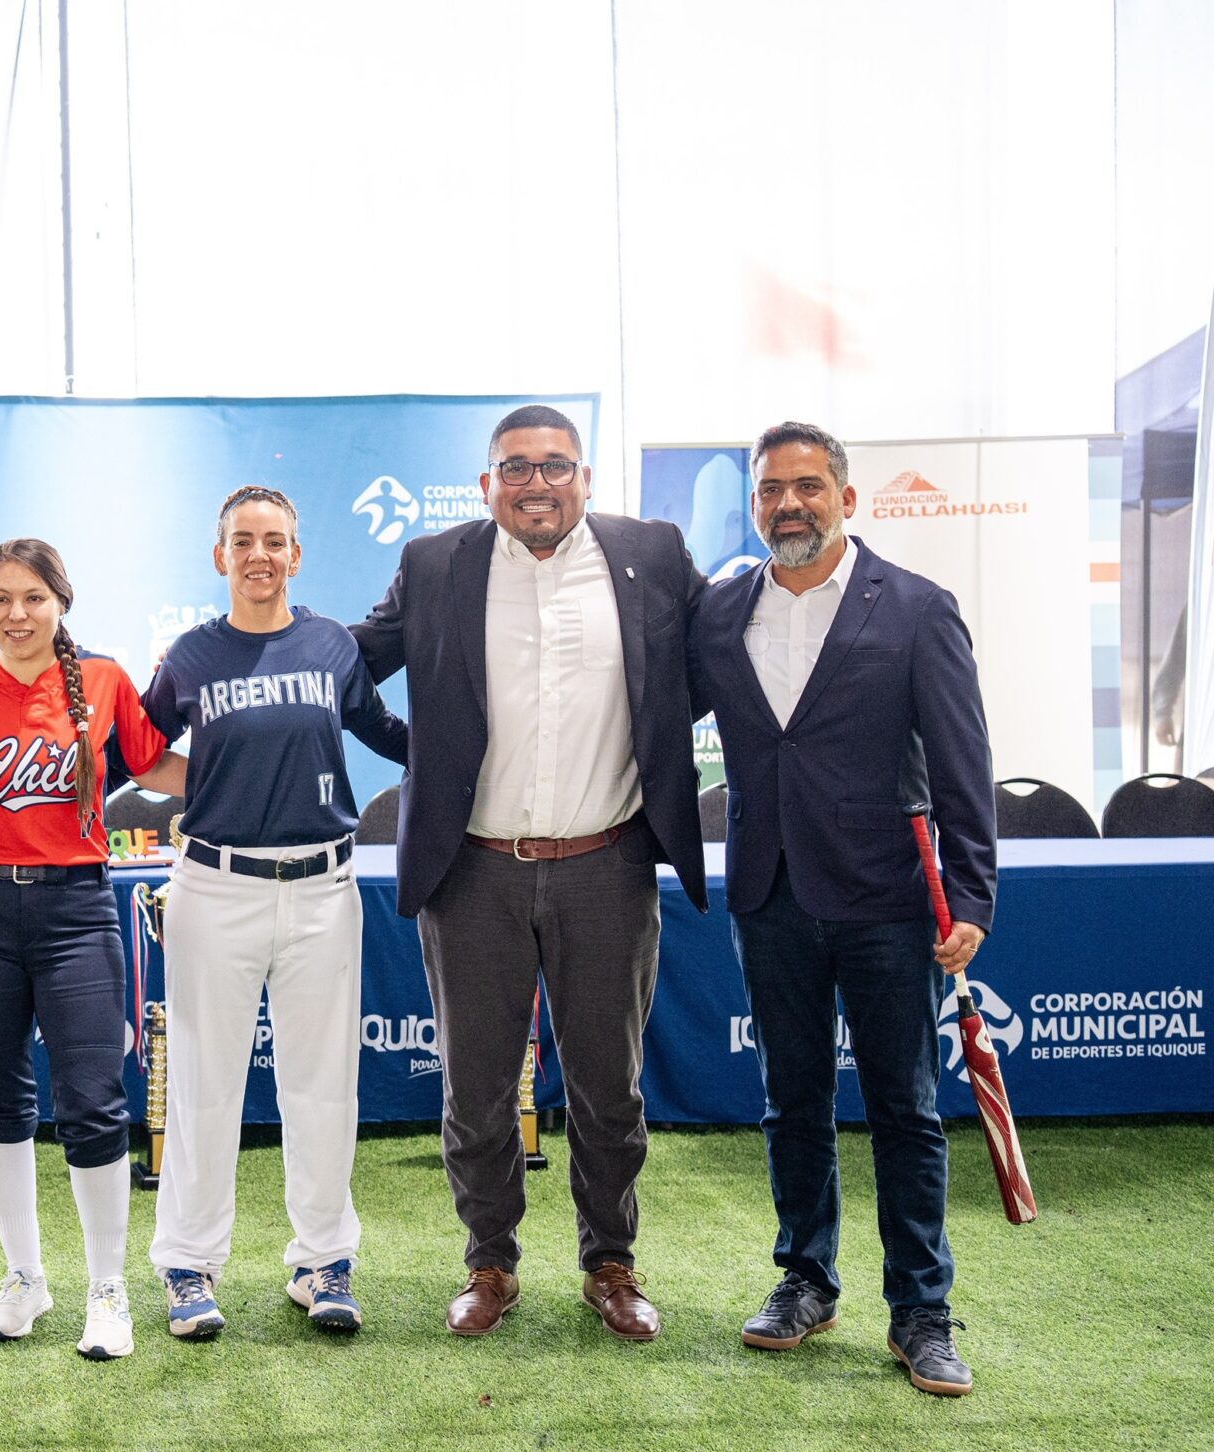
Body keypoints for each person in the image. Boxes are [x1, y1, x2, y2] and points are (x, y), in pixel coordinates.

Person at [352, 405, 709, 1343]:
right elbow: (350, 664)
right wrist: (412, 751)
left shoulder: (654, 554)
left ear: (585, 477)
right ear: (486, 486)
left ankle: (611, 1264)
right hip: (474, 872)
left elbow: (710, 660)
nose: (536, 484)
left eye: (555, 466)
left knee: (609, 1087)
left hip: (608, 864)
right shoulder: (437, 565)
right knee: (474, 1089)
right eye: (516, 469)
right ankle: (490, 1264)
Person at [688, 421, 995, 1396]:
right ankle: (805, 1279)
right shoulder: (715, 612)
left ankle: (921, 1310)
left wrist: (973, 892)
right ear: (752, 504)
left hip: (886, 904)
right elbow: (657, 723)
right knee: (793, 1100)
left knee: (904, 1108)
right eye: (771, 488)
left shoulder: (915, 610)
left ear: (847, 498)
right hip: (768, 892)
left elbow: (962, 768)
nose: (790, 502)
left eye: (809, 485)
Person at [142, 486, 408, 1341]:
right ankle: (189, 1266)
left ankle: (323, 1262)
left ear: (298, 554)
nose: (260, 555)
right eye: (244, 541)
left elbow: (385, 731)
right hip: (214, 888)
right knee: (205, 1086)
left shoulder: (332, 644)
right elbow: (140, 753)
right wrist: (206, 783)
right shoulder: (188, 654)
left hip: (326, 890)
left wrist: (481, 734)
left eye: (276, 541)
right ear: (219, 556)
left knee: (323, 1087)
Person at [0, 538, 184, 1360]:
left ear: (61, 603)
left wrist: (254, 763)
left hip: (77, 909)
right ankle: (25, 1280)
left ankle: (107, 1291)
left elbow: (157, 766)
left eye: (33, 597)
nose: (16, 614)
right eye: (0, 598)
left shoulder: (101, 681)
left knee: (92, 1099)